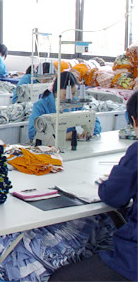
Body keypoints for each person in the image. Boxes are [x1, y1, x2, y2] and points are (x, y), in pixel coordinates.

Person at [49, 92, 137, 282]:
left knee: (60, 278)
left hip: (132, 261)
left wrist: (109, 182)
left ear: (134, 121)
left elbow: (113, 196)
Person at [28, 71, 101, 142]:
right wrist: (65, 136)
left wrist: (88, 131)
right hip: (49, 146)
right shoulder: (40, 106)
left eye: (73, 93)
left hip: (69, 145)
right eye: (66, 94)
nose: (70, 97)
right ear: (56, 90)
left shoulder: (75, 104)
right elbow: (32, 133)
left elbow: (94, 122)